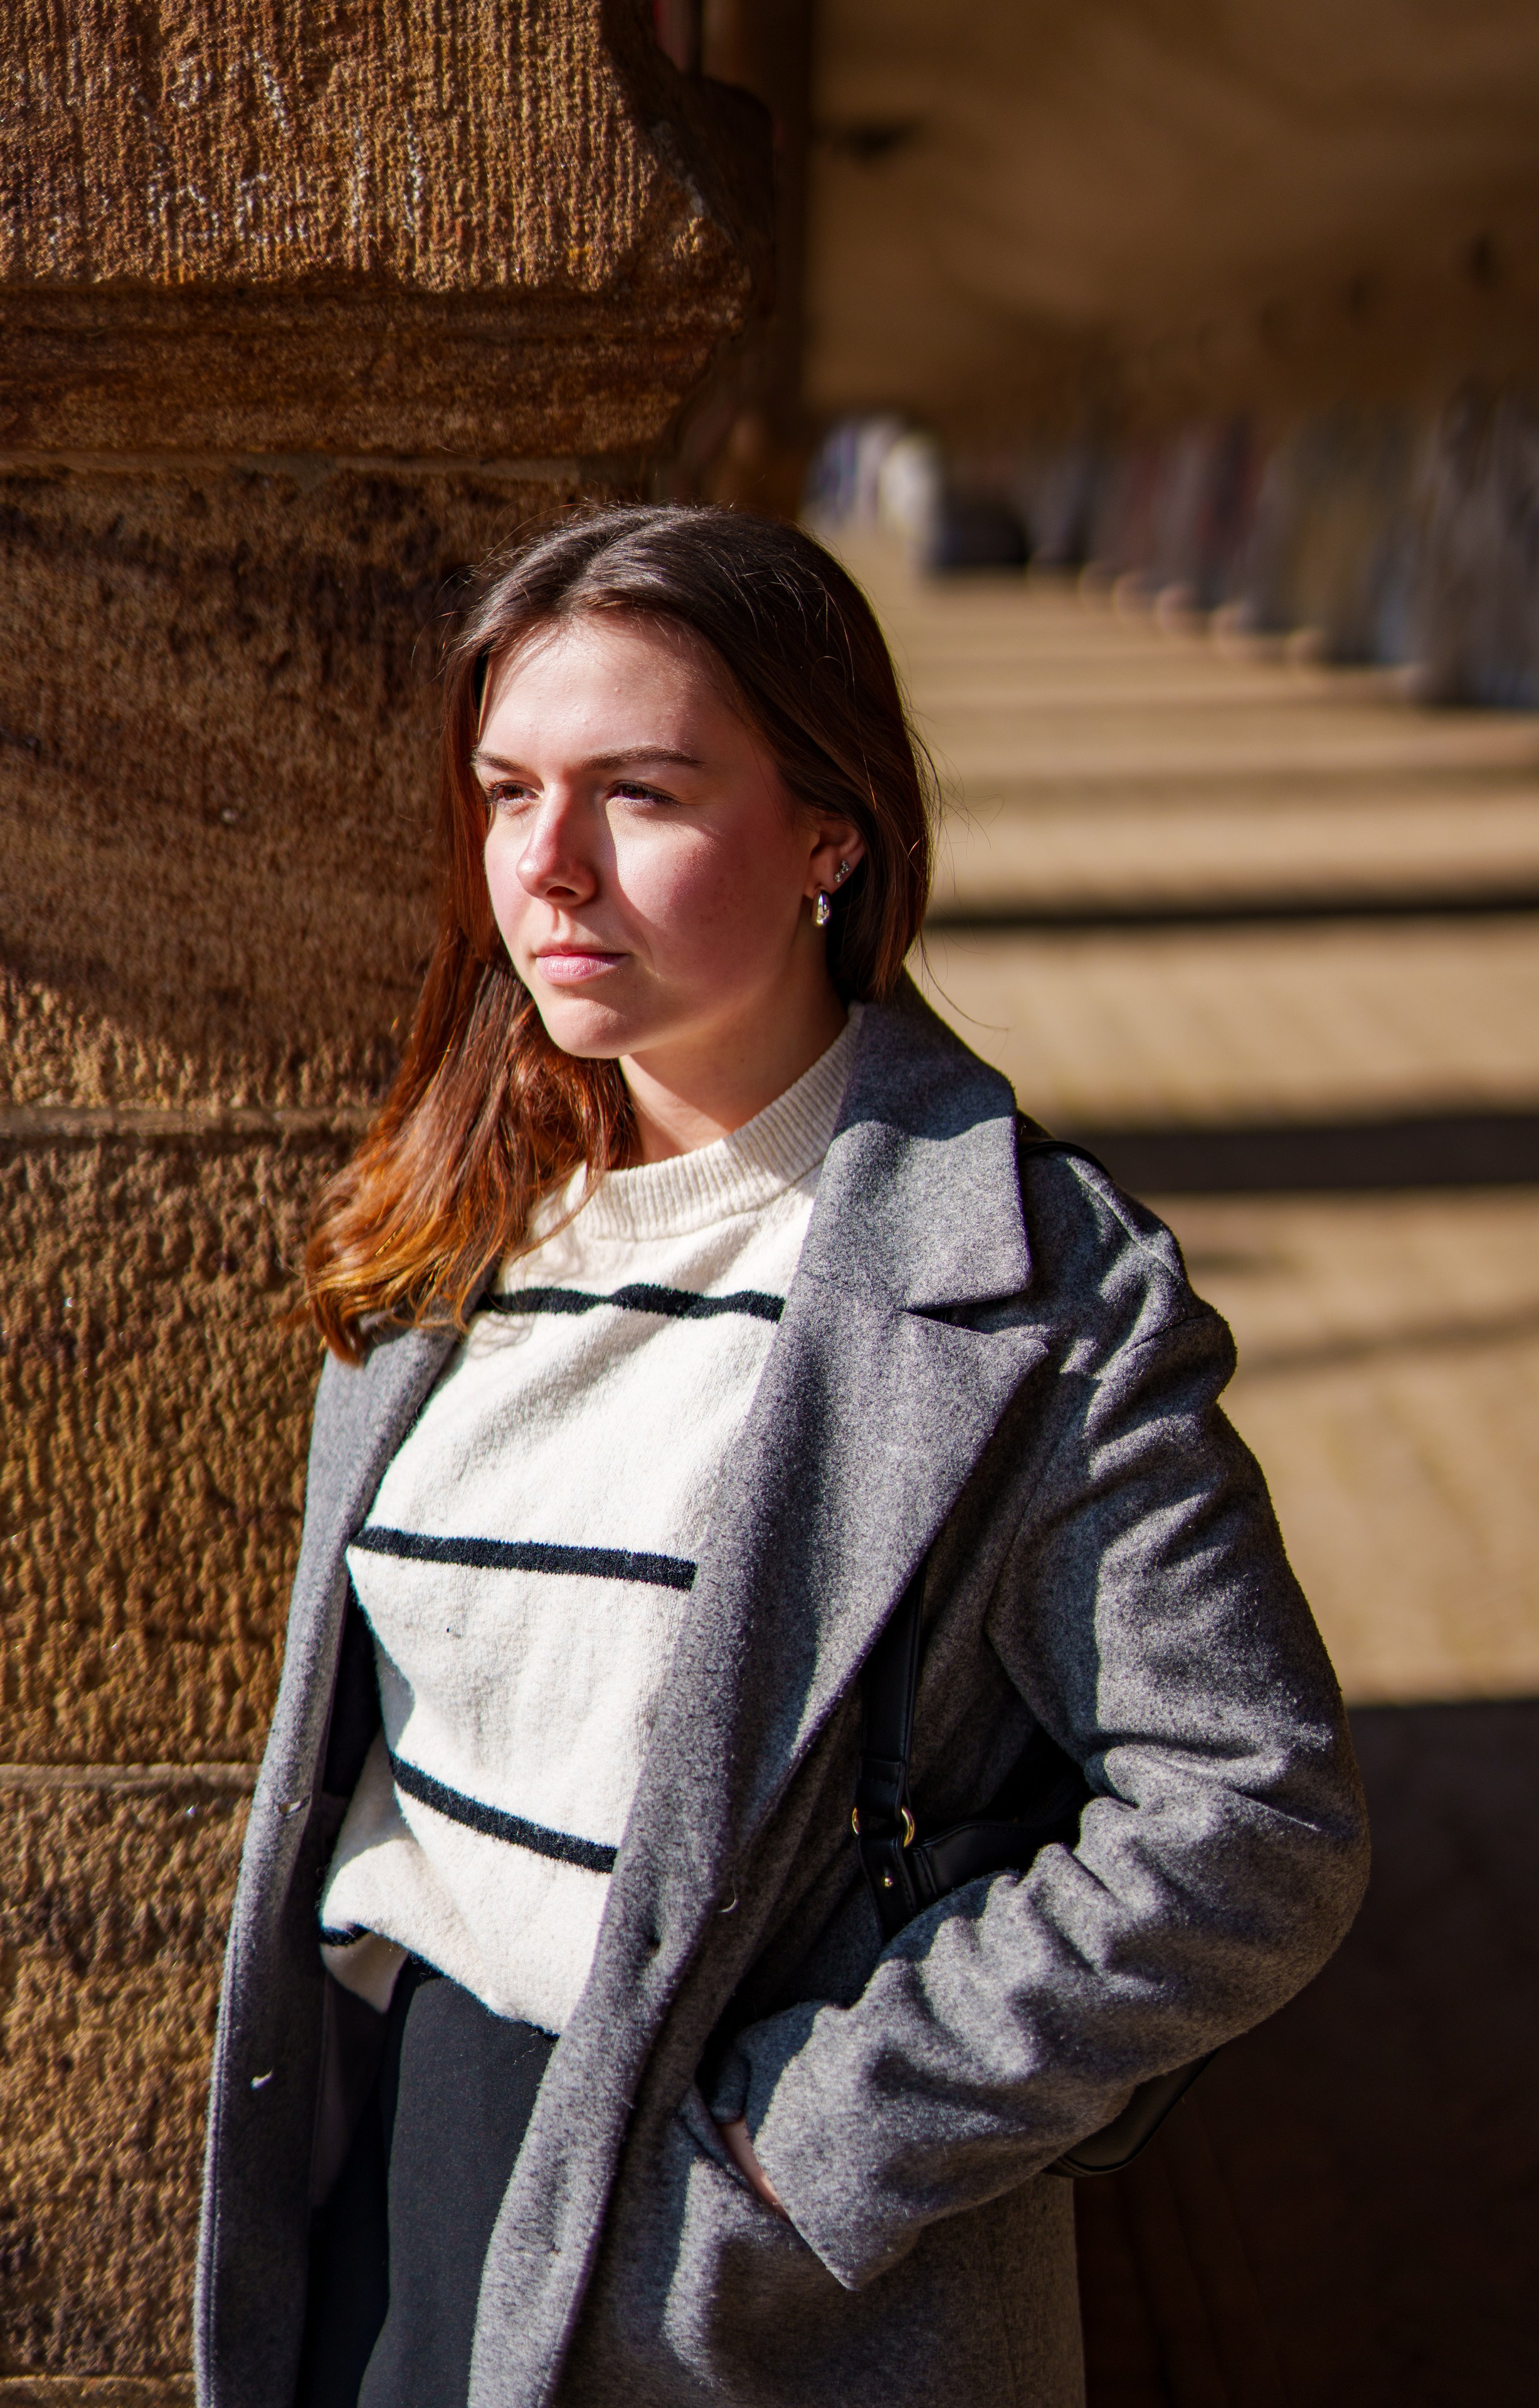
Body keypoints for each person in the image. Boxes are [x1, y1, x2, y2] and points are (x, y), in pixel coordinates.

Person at [194, 505, 1368, 2408]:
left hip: (737, 2252)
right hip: (397, 2172)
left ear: (832, 831)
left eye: (641, 795)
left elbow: (1251, 1815)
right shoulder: (460, 1216)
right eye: (507, 792)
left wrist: (798, 2152)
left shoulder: (1032, 1285)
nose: (549, 867)